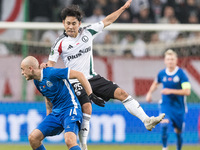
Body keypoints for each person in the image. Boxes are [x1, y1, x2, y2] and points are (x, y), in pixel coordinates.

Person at [41, 1, 165, 149]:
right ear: (63, 23)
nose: (70, 27)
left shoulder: (88, 32)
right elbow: (51, 64)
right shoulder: (59, 43)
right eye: (67, 23)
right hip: (75, 81)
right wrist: (45, 67)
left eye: (74, 23)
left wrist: (123, 8)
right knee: (87, 107)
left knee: (122, 93)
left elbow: (107, 20)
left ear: (79, 23)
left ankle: (146, 120)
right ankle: (83, 145)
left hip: (92, 78)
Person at [21, 56, 102, 150]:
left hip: (70, 109)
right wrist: (49, 114)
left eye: (23, 69)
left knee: (70, 141)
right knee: (33, 138)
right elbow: (48, 96)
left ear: (30, 68)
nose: (22, 73)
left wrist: (90, 94)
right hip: (56, 113)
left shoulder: (51, 72)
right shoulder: (36, 81)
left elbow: (79, 75)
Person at [146, 49, 191, 150]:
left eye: (172, 59)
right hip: (166, 105)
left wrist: (171, 91)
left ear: (176, 60)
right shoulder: (161, 73)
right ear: (165, 61)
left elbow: (187, 91)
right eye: (168, 59)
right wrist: (149, 93)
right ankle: (165, 147)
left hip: (179, 107)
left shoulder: (181, 74)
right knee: (164, 124)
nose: (170, 61)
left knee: (178, 132)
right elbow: (155, 83)